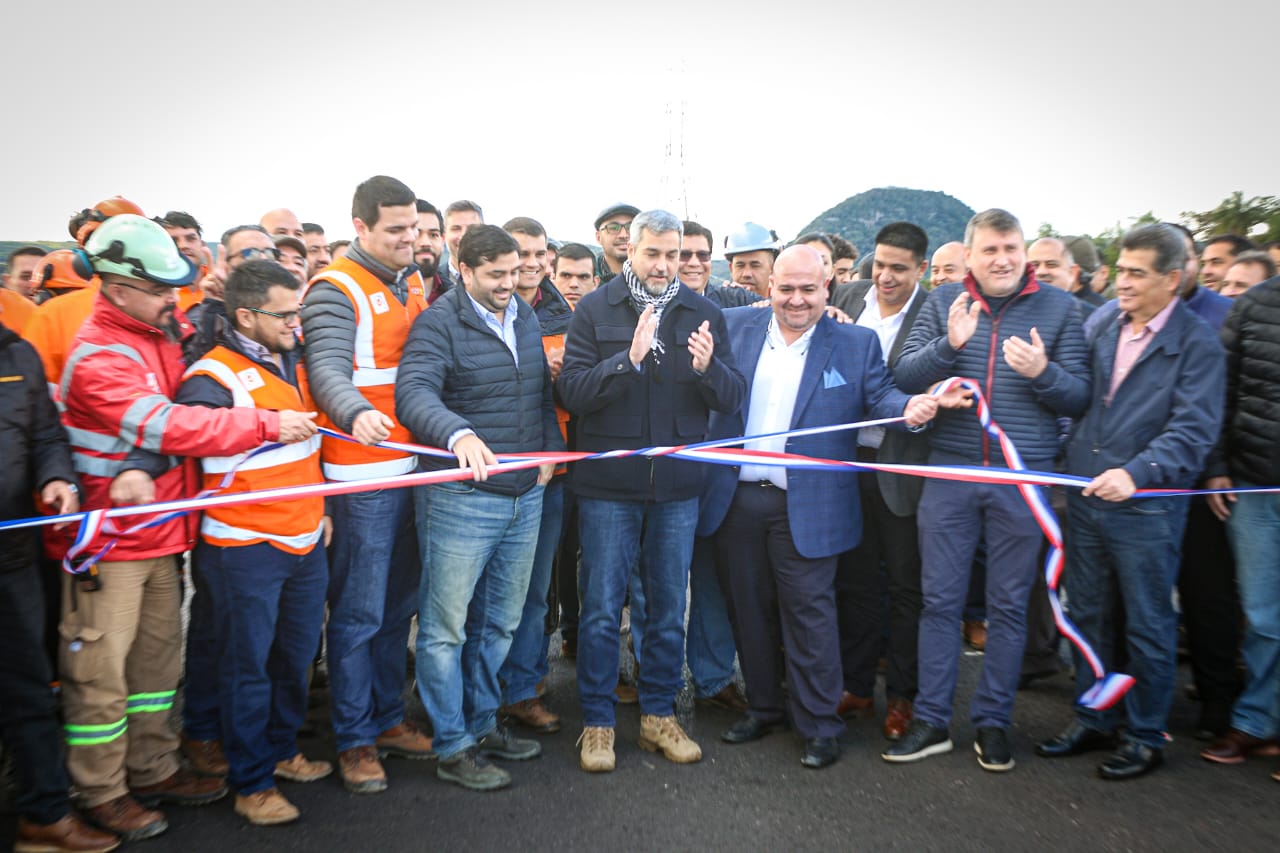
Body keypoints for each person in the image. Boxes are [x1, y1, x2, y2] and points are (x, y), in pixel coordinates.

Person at [58, 214, 316, 840]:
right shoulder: (101, 353)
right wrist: (264, 424)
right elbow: (170, 426)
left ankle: (151, 767)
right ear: (118, 290)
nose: (176, 298)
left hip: (163, 533)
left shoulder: (160, 335)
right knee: (101, 679)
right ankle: (101, 790)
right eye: (161, 288)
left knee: (154, 671)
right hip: (111, 543)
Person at [701, 244, 956, 769]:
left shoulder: (855, 343)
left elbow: (881, 398)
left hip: (810, 503)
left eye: (809, 289)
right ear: (769, 286)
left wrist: (910, 410)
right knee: (748, 609)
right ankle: (765, 707)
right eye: (787, 288)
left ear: (827, 289)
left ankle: (820, 723)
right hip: (738, 498)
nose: (797, 300)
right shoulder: (732, 326)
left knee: (810, 615)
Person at [887, 208, 1090, 772]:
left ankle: (994, 722)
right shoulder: (944, 302)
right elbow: (904, 376)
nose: (1003, 259)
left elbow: (1078, 397)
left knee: (1006, 606)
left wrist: (1043, 372)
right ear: (970, 256)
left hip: (1022, 478)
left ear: (1023, 253)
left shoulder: (1061, 309)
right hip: (950, 473)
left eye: (1012, 249)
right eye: (991, 250)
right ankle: (930, 721)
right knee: (939, 602)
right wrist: (950, 347)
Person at [558, 210, 746, 773]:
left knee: (666, 609)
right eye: (654, 254)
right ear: (630, 251)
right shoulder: (595, 308)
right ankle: (596, 722)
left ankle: (659, 714)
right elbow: (572, 392)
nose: (667, 266)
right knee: (598, 609)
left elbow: (732, 398)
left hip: (677, 489)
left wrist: (710, 368)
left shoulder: (705, 311)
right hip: (608, 489)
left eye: (675, 254)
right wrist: (628, 360)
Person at [1036, 223, 1224, 780]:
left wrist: (1136, 473)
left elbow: (1194, 432)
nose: (1123, 282)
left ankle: (1146, 734)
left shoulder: (1197, 344)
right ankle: (1095, 718)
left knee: (1147, 624)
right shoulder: (1101, 323)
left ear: (1173, 278)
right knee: (1088, 613)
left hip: (1147, 509)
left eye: (1137, 274)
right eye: (1120, 270)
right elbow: (1081, 397)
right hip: (1089, 498)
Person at [396, 224, 564, 791]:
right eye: (495, 275)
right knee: (445, 628)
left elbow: (540, 391)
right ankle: (452, 743)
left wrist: (549, 452)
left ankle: (483, 722)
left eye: (513, 273)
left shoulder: (525, 314)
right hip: (460, 499)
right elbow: (414, 392)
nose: (507, 285)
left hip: (523, 494)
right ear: (463, 270)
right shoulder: (438, 322)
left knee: (501, 623)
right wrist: (457, 433)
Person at [179, 260, 332, 822]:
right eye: (286, 312)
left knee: (293, 658)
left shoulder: (296, 358)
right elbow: (194, 436)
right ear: (245, 315)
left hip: (305, 534)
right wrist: (263, 426)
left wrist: (321, 507)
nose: (298, 321)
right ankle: (251, 783)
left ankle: (282, 748)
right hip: (244, 545)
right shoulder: (210, 378)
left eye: (299, 310)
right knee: (248, 666)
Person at [299, 176, 434, 794]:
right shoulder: (334, 290)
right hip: (361, 477)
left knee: (397, 608)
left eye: (414, 228)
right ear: (359, 228)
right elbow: (324, 367)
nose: (410, 240)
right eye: (396, 231)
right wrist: (354, 412)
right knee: (357, 613)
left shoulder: (407, 282)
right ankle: (354, 739)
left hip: (411, 470)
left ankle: (384, 719)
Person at [1, 304, 120, 853]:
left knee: (28, 685)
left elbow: (47, 435)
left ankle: (44, 814)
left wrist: (55, 477)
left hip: (13, 553)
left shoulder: (14, 351)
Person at [831, 222, 932, 740]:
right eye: (880, 264)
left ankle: (904, 698)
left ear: (921, 269)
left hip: (900, 470)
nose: (885, 276)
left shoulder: (932, 314)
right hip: (847, 466)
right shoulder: (846, 295)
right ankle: (855, 686)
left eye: (899, 268)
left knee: (905, 588)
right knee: (856, 583)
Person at [1200, 268, 1280, 778]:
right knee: (1264, 614)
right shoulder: (1254, 305)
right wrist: (1217, 466)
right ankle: (1256, 722)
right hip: (1255, 483)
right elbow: (1221, 393)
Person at [497, 216, 573, 733]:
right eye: (520, 251)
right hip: (491, 473)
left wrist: (568, 379)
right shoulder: (476, 309)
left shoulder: (567, 315)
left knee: (532, 589)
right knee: (487, 593)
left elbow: (578, 398)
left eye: (539, 251)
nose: (531, 261)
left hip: (552, 471)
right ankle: (475, 691)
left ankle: (522, 687)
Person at [679, 221, 758, 309]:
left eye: (702, 255)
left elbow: (774, 304)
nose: (694, 263)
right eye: (684, 255)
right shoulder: (661, 307)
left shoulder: (736, 299)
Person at [155, 211, 208, 312]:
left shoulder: (224, 284)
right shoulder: (155, 293)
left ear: (203, 245)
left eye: (190, 238)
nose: (183, 245)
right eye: (174, 241)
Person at [723, 222, 780, 298]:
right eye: (740, 265)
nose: (747, 274)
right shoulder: (717, 306)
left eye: (755, 266)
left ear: (772, 269)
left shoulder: (783, 307)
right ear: (731, 269)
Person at [592, 202, 639, 284]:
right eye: (613, 228)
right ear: (598, 237)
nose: (623, 235)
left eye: (631, 227)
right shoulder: (585, 277)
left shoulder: (655, 277)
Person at [442, 200, 484, 290]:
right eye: (456, 228)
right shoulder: (433, 282)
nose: (463, 236)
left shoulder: (499, 279)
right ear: (444, 235)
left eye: (472, 228)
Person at [414, 199, 448, 303]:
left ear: (442, 240)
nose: (426, 243)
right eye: (417, 234)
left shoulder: (457, 299)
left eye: (433, 235)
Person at [550, 242, 599, 308]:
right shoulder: (535, 316)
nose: (574, 284)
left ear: (595, 283)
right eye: (566, 276)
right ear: (553, 279)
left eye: (583, 277)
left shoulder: (610, 317)